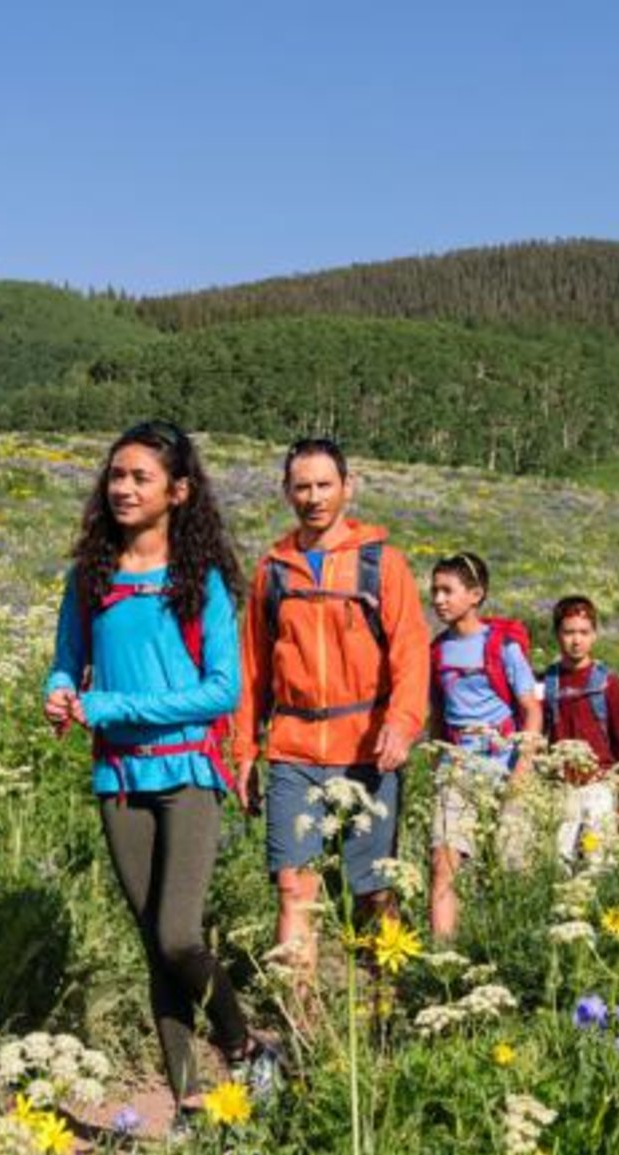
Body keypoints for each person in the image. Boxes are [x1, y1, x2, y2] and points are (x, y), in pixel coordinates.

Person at [43, 419, 278, 1116]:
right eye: (116, 475)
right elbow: (65, 659)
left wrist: (111, 702)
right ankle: (191, 1101)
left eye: (140, 477)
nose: (122, 487)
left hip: (187, 775)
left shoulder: (197, 580)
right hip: (118, 780)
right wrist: (59, 694)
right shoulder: (89, 576)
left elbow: (220, 692)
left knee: (179, 933)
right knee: (156, 948)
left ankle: (244, 1046)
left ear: (177, 491)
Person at [232, 437, 429, 1006]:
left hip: (369, 750)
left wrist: (403, 721)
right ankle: (301, 1029)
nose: (313, 498)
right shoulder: (273, 572)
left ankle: (387, 1008)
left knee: (373, 892)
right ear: (286, 491)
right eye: (302, 487)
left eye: (324, 485)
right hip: (294, 752)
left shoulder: (381, 564)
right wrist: (244, 751)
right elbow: (252, 670)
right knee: (295, 889)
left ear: (348, 487)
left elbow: (411, 652)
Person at [427, 552, 542, 942]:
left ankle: (512, 948)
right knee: (443, 862)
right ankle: (442, 958)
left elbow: (531, 710)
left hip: (505, 764)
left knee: (511, 867)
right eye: (435, 590)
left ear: (475, 594)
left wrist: (523, 769)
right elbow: (437, 715)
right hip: (456, 767)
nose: (439, 599)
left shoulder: (503, 647)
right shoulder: (437, 651)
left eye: (448, 590)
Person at [540, 595, 619, 867]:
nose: (576, 640)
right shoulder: (548, 681)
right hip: (561, 786)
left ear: (594, 635)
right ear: (557, 634)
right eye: (568, 632)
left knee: (599, 861)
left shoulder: (607, 683)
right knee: (558, 860)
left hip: (599, 785)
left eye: (583, 632)